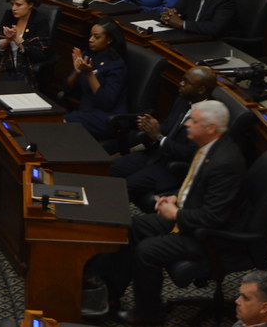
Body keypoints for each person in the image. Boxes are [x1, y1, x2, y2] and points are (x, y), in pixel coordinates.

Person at [89, 101, 245, 325]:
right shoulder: (210, 146)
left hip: (211, 235)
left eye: (194, 121)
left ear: (211, 128)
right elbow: (199, 191)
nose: (187, 124)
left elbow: (214, 217)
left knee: (146, 251)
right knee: (129, 227)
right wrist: (176, 199)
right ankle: (111, 297)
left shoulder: (225, 162)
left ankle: (148, 317)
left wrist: (176, 214)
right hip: (191, 217)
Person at [110, 66, 217, 212]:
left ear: (201, 90)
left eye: (186, 82)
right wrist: (150, 128)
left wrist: (159, 137)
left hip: (172, 168)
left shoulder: (209, 117)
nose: (180, 83)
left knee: (126, 186)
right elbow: (165, 129)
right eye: (182, 80)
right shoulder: (182, 101)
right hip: (155, 154)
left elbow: (190, 154)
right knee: (114, 168)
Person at [64, 18, 127, 141]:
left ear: (109, 40)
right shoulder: (88, 55)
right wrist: (77, 73)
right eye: (91, 35)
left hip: (108, 118)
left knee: (64, 123)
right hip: (86, 111)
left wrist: (89, 74)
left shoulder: (116, 66)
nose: (91, 40)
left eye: (96, 37)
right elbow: (66, 89)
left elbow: (106, 102)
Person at [0, 0, 51, 88]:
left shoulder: (39, 21)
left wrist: (17, 39)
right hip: (4, 64)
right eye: (12, 4)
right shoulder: (9, 15)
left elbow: (39, 53)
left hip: (25, 70)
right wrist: (8, 40)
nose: (14, 8)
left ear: (30, 4)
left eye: (18, 5)